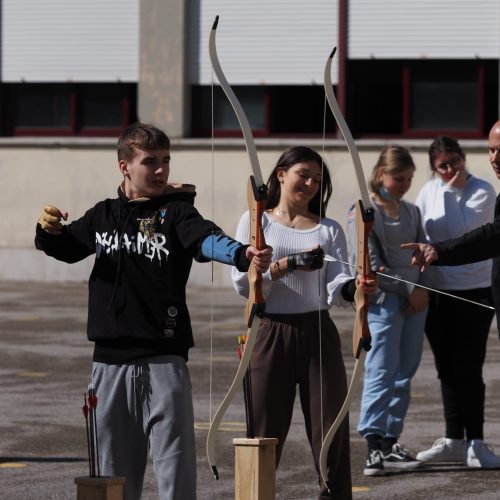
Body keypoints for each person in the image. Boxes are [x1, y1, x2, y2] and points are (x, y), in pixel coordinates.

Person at [34, 122, 273, 500]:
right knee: (113, 475)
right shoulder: (103, 215)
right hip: (109, 364)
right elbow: (65, 246)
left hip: (164, 362)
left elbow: (207, 240)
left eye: (166, 161)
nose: (161, 170)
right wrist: (48, 231)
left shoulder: (177, 214)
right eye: (150, 162)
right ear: (124, 166)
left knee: (175, 471)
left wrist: (242, 254)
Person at [231, 146, 376, 500]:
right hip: (268, 333)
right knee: (263, 432)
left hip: (318, 333)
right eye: (303, 175)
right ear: (281, 173)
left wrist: (355, 289)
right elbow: (242, 284)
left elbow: (336, 287)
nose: (311, 183)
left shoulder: (328, 229)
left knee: (331, 432)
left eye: (317, 179)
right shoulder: (256, 221)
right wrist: (286, 265)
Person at [407, 134, 500, 469]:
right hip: (437, 288)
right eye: (441, 166)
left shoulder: (482, 190)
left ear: (463, 158)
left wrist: (450, 191)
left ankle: (476, 440)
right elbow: (422, 232)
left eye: (454, 162)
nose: (449, 170)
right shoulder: (429, 190)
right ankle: (453, 439)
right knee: (445, 367)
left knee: (469, 365)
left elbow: (469, 232)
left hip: (474, 289)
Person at [347, 146, 429, 476]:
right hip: (383, 303)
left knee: (404, 373)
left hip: (416, 303)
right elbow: (369, 267)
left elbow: (424, 252)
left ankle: (391, 440)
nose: (404, 184)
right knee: (381, 372)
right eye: (399, 178)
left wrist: (422, 287)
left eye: (409, 179)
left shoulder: (412, 211)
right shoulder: (364, 212)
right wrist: (410, 288)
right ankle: (373, 445)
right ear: (381, 174)